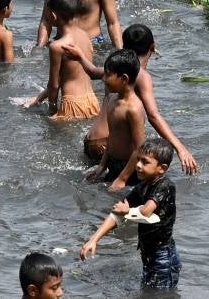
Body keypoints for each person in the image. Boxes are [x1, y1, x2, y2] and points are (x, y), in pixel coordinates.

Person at [65, 23, 199, 174]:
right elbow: (153, 116)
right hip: (107, 145)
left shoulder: (115, 69)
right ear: (152, 47)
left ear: (124, 46)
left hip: (91, 141)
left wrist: (80, 57)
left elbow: (92, 72)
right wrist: (180, 149)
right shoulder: (142, 76)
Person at [80, 138, 180, 289]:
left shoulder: (165, 186)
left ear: (162, 168)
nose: (138, 165)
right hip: (148, 252)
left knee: (162, 294)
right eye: (138, 160)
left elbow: (146, 211)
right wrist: (94, 239)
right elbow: (116, 214)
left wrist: (128, 211)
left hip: (163, 255)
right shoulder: (142, 187)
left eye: (145, 162)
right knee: (148, 290)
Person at [25, 0, 99, 120]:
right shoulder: (85, 35)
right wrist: (39, 98)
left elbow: (54, 85)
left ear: (54, 16)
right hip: (92, 101)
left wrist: (52, 110)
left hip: (71, 105)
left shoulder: (57, 46)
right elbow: (72, 76)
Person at [85, 50, 145, 191]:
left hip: (129, 169)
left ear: (124, 78)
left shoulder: (133, 109)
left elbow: (140, 148)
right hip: (112, 163)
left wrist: (122, 178)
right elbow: (111, 137)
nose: (103, 79)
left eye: (108, 74)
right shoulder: (112, 100)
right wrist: (102, 165)